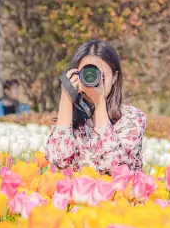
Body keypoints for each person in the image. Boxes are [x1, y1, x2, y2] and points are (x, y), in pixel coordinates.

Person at [45, 39, 145, 174]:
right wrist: (66, 99)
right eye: (86, 75)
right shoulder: (72, 120)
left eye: (100, 76)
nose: (93, 81)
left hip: (119, 194)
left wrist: (99, 104)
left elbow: (113, 165)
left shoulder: (132, 118)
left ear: (115, 77)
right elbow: (59, 160)